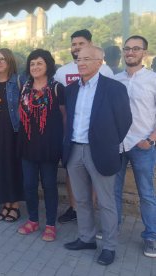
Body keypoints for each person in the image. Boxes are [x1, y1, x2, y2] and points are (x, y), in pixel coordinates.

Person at [63, 46, 132, 265]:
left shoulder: (114, 88)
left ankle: (110, 247)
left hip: (100, 151)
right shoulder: (72, 89)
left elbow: (124, 122)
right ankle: (86, 238)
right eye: (78, 59)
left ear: (99, 62)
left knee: (106, 202)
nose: (81, 62)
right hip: (75, 150)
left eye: (86, 59)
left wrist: (108, 142)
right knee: (81, 199)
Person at [54, 29, 114, 224]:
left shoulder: (105, 70)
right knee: (73, 176)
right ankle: (74, 208)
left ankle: (92, 211)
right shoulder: (62, 72)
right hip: (71, 137)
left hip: (97, 140)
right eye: (74, 44)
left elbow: (117, 111)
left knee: (96, 179)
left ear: (90, 44)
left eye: (81, 43)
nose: (77, 48)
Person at [17, 49, 65, 241]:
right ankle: (33, 220)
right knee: (29, 185)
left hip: (49, 146)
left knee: (49, 186)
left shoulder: (57, 88)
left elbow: (64, 118)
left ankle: (51, 225)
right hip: (27, 145)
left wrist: (62, 143)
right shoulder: (24, 87)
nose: (35, 67)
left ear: (48, 65)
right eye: (32, 64)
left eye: (39, 63)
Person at [114, 35, 156, 258]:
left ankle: (151, 236)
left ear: (144, 53)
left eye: (136, 49)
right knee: (114, 191)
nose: (130, 52)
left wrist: (151, 139)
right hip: (118, 145)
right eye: (127, 48)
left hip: (143, 145)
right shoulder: (116, 79)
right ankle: (114, 228)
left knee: (147, 193)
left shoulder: (153, 80)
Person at [0, 48, 25, 222]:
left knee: (13, 167)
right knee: (0, 167)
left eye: (2, 59)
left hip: (13, 131)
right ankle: (5, 204)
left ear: (9, 61)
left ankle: (15, 206)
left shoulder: (18, 81)